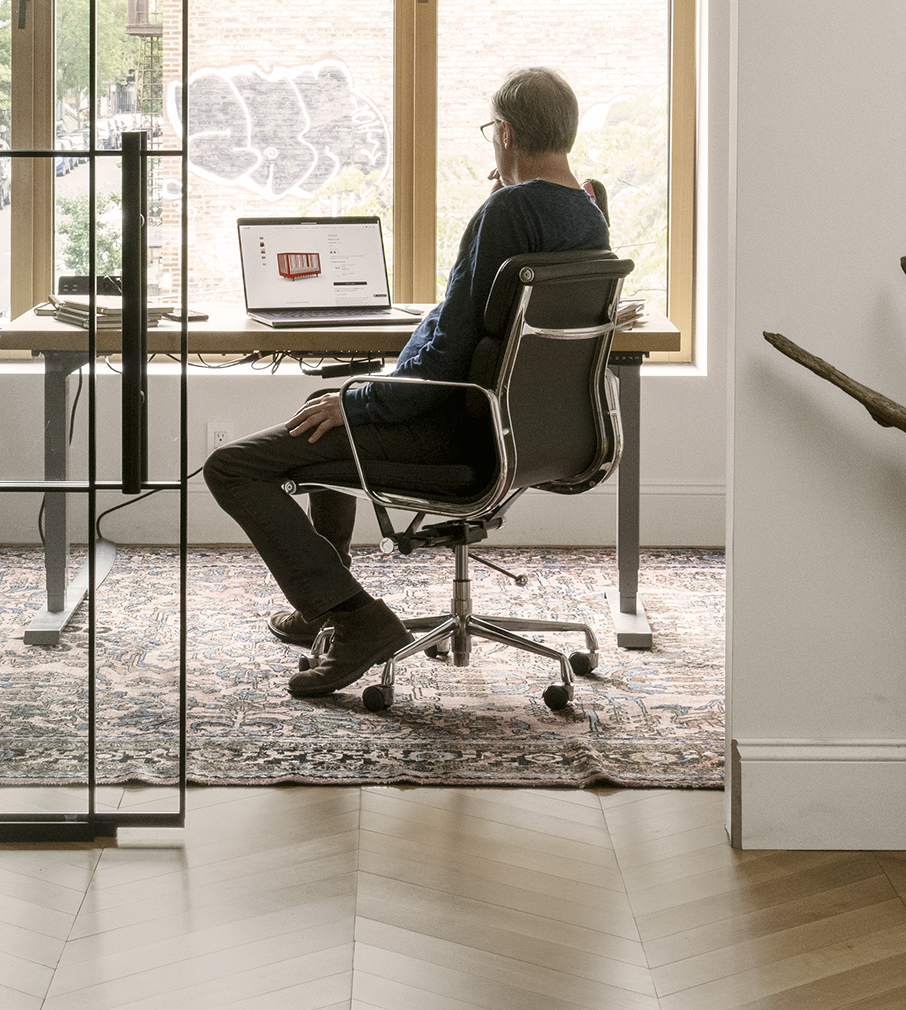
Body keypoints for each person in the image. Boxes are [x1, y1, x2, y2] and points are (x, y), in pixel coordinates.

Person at [203, 66, 611, 696]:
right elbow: (479, 330)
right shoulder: (586, 212)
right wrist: (357, 398)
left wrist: (364, 398)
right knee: (325, 406)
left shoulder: (508, 210)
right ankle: (327, 603)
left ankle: (354, 618)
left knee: (233, 466)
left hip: (454, 433)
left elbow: (448, 348)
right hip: (523, 433)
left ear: (504, 132)